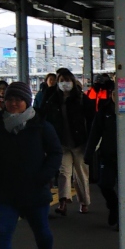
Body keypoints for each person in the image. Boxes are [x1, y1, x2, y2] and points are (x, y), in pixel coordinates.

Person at [0, 82, 63, 249]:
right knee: (2, 231)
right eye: (9, 100)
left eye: (18, 100)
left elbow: (56, 153)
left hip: (34, 189)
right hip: (6, 189)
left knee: (41, 232)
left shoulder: (41, 125)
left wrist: (44, 176)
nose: (13, 104)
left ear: (27, 102)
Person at [40, 68, 90, 216]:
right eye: (61, 81)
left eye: (67, 81)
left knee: (81, 174)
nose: (64, 84)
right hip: (60, 141)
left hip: (79, 142)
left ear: (73, 82)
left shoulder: (80, 98)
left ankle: (84, 202)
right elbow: (42, 114)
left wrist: (91, 142)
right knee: (63, 172)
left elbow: (91, 118)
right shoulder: (52, 98)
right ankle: (63, 202)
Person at [85, 76, 119, 229]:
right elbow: (95, 133)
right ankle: (114, 207)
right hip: (108, 154)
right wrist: (88, 153)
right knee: (104, 184)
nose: (116, 95)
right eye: (114, 92)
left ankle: (122, 218)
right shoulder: (104, 111)